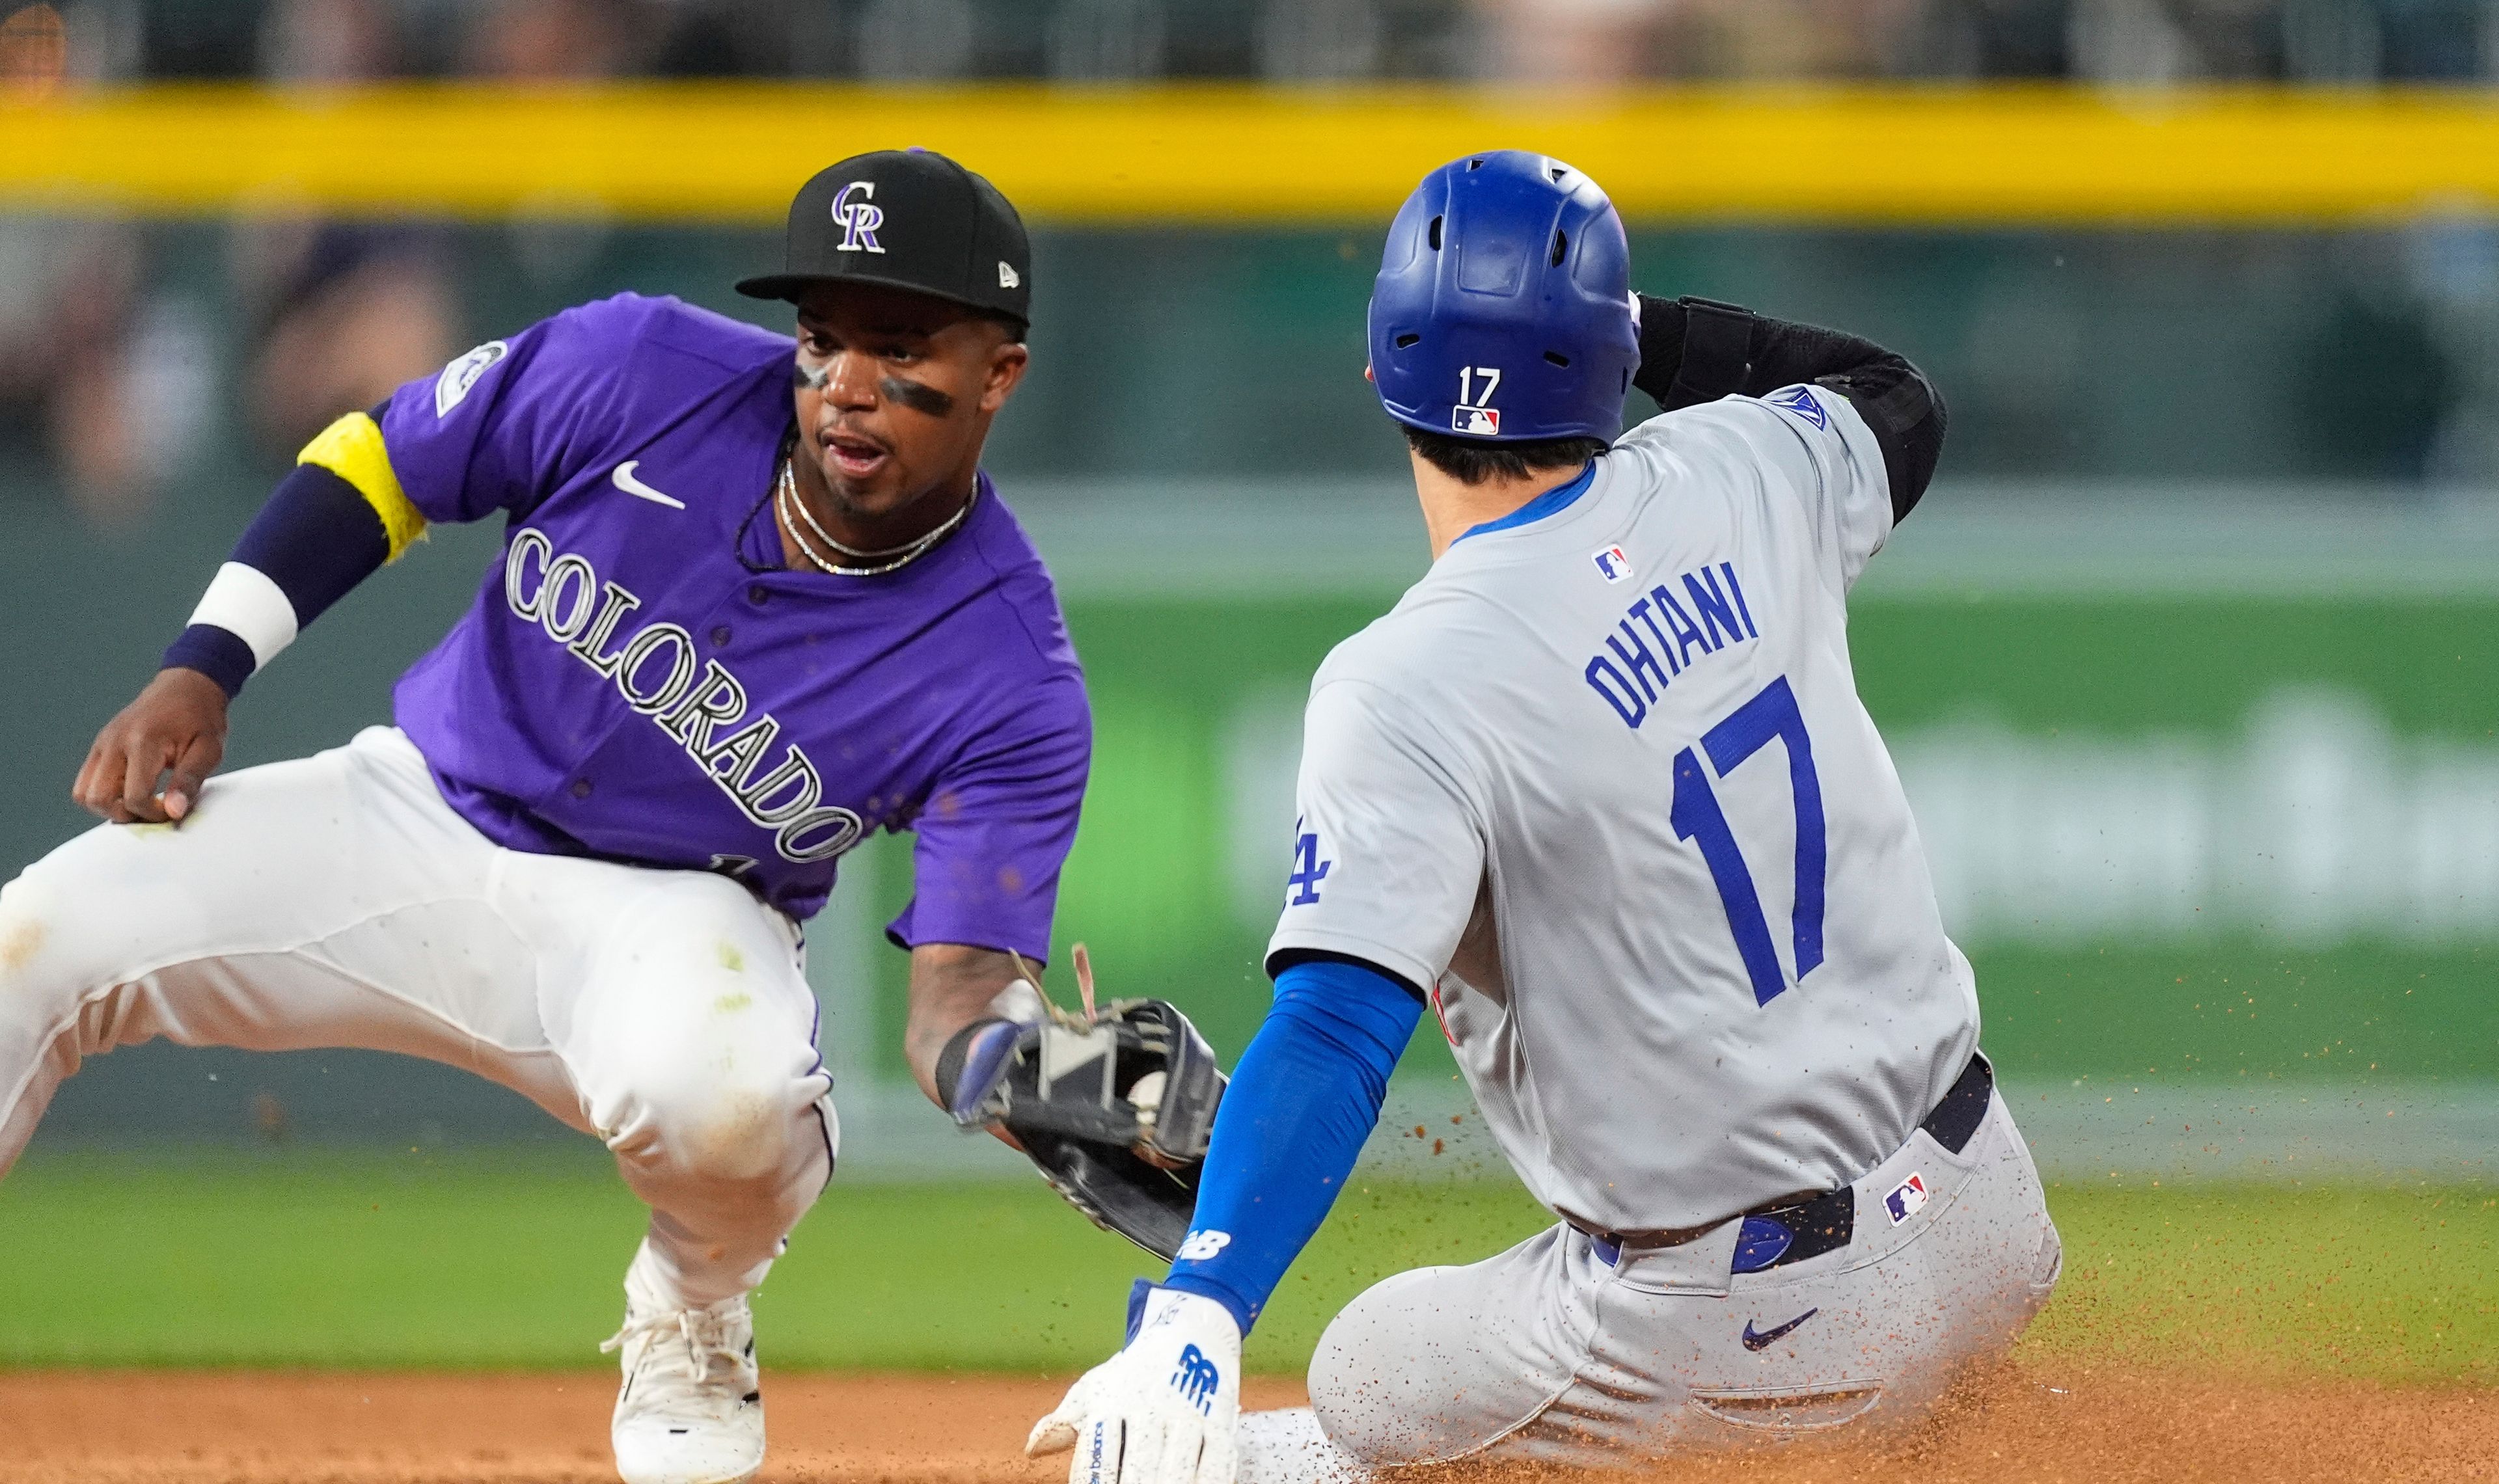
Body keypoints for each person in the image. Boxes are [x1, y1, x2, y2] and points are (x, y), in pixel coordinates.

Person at [0, 149, 1091, 1484]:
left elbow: (958, 996)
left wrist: (1026, 1073)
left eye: (903, 345)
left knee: (734, 1097)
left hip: (674, 920)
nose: (848, 386)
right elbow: (385, 458)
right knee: (32, 940)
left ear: (1003, 371)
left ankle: (693, 1309)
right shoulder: (640, 365)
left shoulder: (1008, 673)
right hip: (411, 817)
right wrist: (205, 661)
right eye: (824, 339)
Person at [1027, 150, 2062, 1484]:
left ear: (1378, 379)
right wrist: (1641, 336)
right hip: (1987, 1219)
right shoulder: (1739, 465)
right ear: (1608, 355)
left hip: (1756, 1331)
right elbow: (1896, 394)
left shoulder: (1406, 680)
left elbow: (1341, 1029)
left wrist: (1199, 1304)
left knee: (1366, 1372)